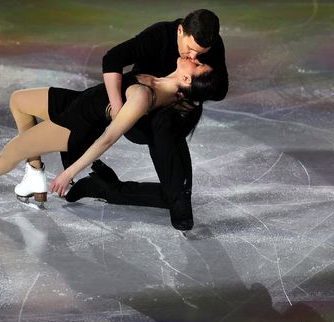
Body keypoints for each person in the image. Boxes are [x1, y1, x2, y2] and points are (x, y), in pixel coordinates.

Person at [0, 58, 217, 205]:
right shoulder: (160, 76)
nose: (194, 57)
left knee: (10, 153)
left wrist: (68, 172)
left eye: (198, 64)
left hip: (75, 126)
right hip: (77, 101)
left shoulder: (144, 97)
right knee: (18, 100)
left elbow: (108, 138)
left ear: (187, 80)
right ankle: (35, 173)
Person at [63, 9, 228, 230]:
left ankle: (109, 188)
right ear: (180, 31)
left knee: (174, 187)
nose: (193, 57)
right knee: (164, 124)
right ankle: (178, 199)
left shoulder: (211, 44)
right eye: (190, 49)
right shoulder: (159, 36)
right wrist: (118, 109)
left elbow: (220, 90)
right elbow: (112, 59)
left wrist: (190, 90)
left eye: (200, 55)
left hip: (171, 116)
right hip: (140, 116)